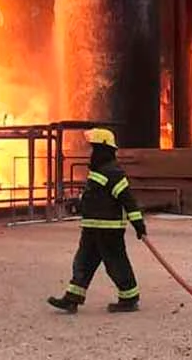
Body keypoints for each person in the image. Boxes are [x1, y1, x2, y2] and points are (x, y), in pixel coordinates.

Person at [48, 128, 147, 314]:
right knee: (83, 263)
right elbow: (94, 197)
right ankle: (72, 298)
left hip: (109, 229)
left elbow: (127, 200)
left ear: (103, 150)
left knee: (116, 264)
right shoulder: (99, 171)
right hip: (92, 227)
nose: (90, 152)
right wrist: (77, 202)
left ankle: (129, 298)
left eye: (93, 148)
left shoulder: (113, 172)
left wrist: (138, 224)